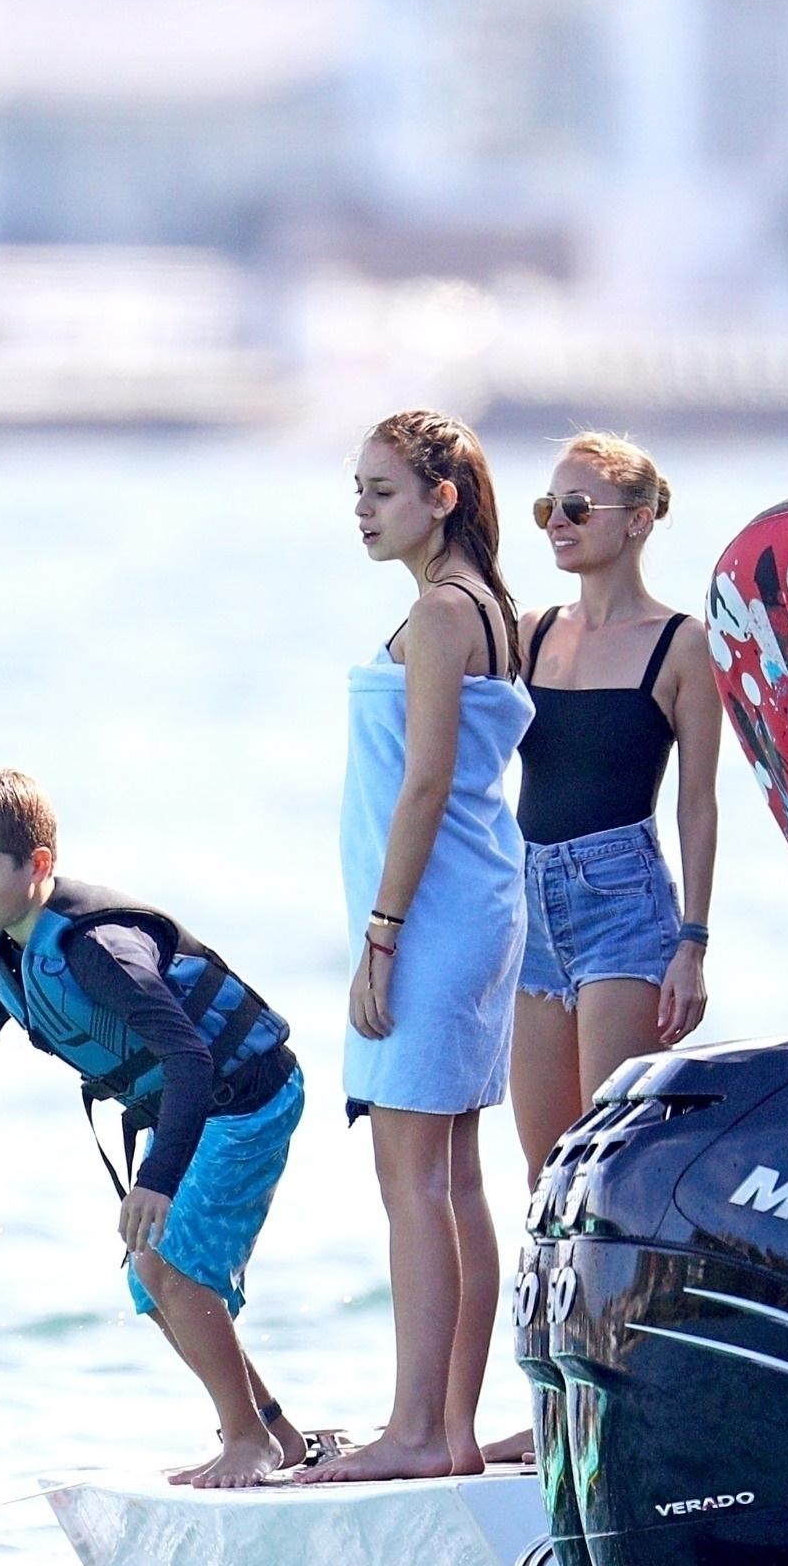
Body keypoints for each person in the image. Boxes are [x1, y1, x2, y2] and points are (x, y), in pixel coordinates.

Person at [0, 770, 319, 1489]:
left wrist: (156, 1181)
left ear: (39, 866)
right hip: (189, 1107)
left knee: (165, 1262)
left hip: (244, 1096)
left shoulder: (98, 949)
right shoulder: (9, 949)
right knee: (152, 1282)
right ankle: (272, 1431)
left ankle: (247, 1441)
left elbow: (189, 1056)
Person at [309, 409, 533, 1487]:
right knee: (452, 1176)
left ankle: (414, 1429)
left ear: (442, 496)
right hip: (477, 906)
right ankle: (446, 1430)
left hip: (436, 916)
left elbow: (427, 781)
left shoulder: (446, 615)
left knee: (414, 1179)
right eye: (356, 489)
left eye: (382, 490)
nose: (362, 509)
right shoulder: (488, 606)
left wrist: (380, 937)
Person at [509, 429, 722, 1176]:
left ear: (636, 519)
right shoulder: (529, 633)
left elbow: (698, 804)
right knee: (544, 1173)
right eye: (546, 508)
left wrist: (692, 943)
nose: (556, 524)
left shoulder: (683, 644)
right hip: (527, 903)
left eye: (575, 506)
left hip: (624, 906)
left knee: (612, 1164)